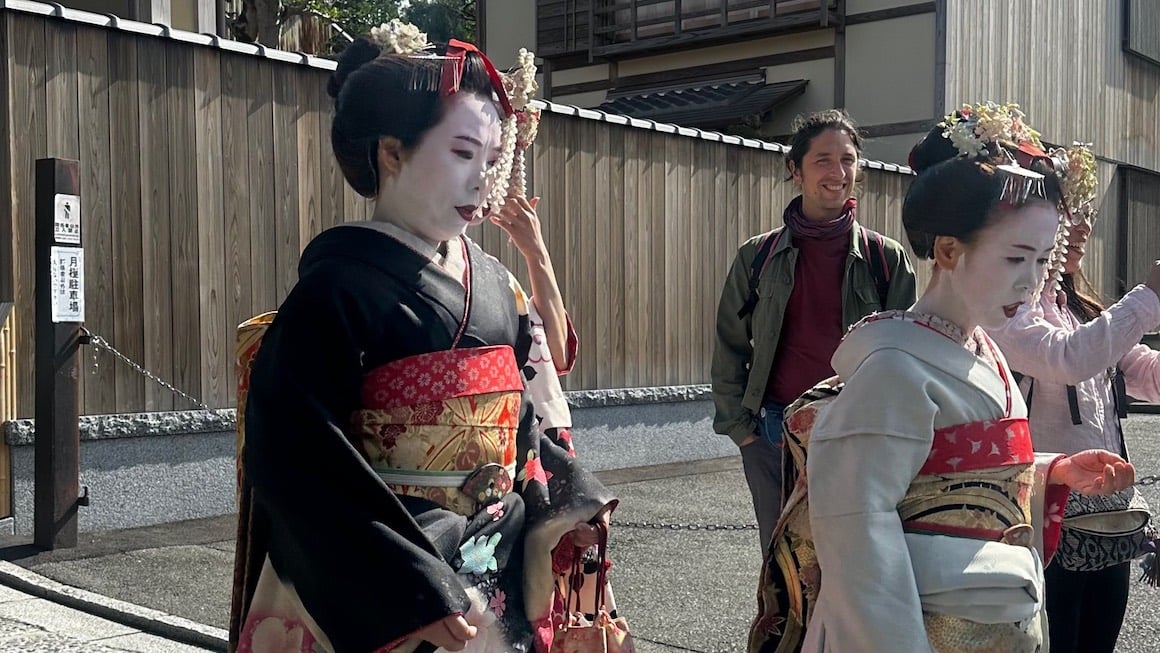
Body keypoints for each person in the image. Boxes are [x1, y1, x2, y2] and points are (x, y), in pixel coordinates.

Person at [228, 22, 615, 653]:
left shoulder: (496, 287)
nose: (482, 182)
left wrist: (566, 497)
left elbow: (521, 423)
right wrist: (409, 588)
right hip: (381, 568)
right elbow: (297, 454)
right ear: (392, 153)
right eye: (462, 154)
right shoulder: (336, 290)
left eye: (492, 162)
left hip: (494, 551)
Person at [752, 103, 1137, 653]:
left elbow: (965, 472)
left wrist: (1051, 471)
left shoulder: (985, 352)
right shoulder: (893, 368)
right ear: (949, 250)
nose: (1030, 283)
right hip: (924, 630)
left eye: (1041, 261)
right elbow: (858, 533)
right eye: (1014, 259)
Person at [711, 109, 917, 555]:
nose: (837, 172)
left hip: (856, 433)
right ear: (795, 170)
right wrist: (741, 429)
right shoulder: (758, 256)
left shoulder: (887, 258)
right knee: (784, 566)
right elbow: (730, 343)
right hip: (772, 433)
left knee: (855, 564)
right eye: (823, 159)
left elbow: (907, 356)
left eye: (847, 159)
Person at [986, 142, 1160, 653]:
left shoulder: (1078, 305)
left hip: (1106, 511)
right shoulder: (1007, 310)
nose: (1081, 226)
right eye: (1068, 214)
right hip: (1044, 512)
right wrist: (1149, 295)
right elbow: (1068, 357)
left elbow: (1142, 372)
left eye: (1085, 214)